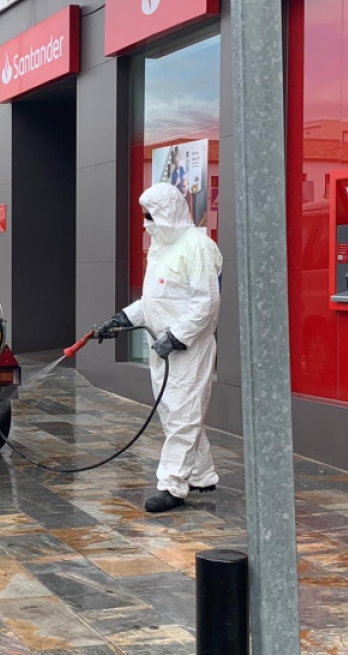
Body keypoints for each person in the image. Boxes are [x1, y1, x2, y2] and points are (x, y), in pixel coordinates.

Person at [100, 182, 223, 513]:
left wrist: (178, 336)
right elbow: (153, 300)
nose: (146, 223)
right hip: (162, 348)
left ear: (167, 213)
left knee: (184, 415)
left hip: (188, 349)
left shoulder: (197, 246)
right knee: (174, 413)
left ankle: (172, 486)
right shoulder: (161, 248)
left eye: (150, 216)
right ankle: (201, 474)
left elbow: (206, 302)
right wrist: (121, 319)